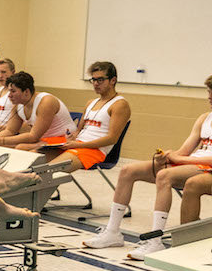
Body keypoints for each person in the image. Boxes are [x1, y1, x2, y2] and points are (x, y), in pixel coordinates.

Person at [85, 74, 212, 259]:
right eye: (209, 93)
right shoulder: (204, 118)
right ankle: (112, 232)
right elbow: (184, 150)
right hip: (193, 162)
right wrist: (168, 155)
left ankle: (155, 242)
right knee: (129, 170)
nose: (209, 97)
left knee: (165, 176)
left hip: (205, 167)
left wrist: (180, 160)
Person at [42, 62, 131, 173]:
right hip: (78, 144)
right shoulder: (90, 103)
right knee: (34, 156)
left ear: (113, 80)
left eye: (100, 80)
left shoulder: (120, 104)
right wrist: (72, 137)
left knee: (46, 172)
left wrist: (80, 145)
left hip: (94, 150)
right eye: (93, 80)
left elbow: (112, 139)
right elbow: (78, 130)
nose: (95, 84)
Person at [0, 71, 74, 151]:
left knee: (20, 148)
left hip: (63, 139)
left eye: (13, 91)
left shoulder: (46, 102)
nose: (9, 95)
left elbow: (33, 136)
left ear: (26, 92)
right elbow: (10, 130)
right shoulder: (17, 104)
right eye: (9, 91)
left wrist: (1, 141)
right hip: (43, 140)